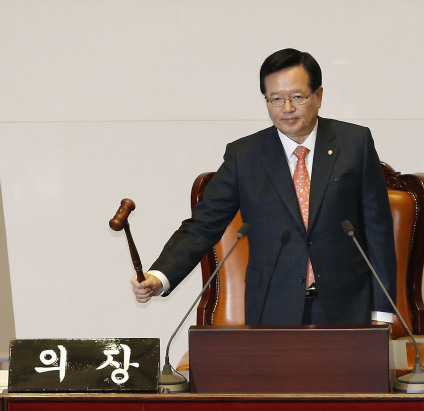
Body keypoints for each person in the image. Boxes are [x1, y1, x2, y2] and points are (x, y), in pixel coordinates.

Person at [131, 48, 397, 326]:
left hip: (348, 303)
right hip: (272, 303)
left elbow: (378, 230)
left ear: (318, 96)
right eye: (276, 99)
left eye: (297, 97)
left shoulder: (354, 143)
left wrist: (382, 310)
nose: (287, 108)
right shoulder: (245, 155)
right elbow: (203, 224)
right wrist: (161, 276)